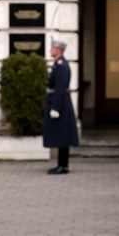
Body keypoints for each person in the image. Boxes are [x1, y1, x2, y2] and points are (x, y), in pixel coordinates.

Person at [44, 40, 79, 174]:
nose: (50, 50)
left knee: (62, 136)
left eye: (52, 48)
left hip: (61, 104)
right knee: (61, 135)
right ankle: (62, 165)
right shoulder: (58, 64)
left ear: (58, 50)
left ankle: (63, 166)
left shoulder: (61, 65)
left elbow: (60, 88)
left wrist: (56, 108)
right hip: (60, 103)